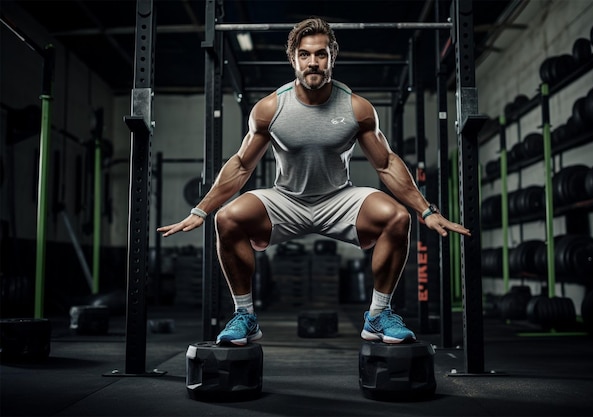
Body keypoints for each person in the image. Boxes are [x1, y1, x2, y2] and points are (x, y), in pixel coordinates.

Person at [157, 17, 470, 346]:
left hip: (339, 199)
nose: (313, 62)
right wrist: (201, 210)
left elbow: (388, 163)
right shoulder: (269, 109)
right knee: (227, 218)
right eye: (305, 55)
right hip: (286, 200)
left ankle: (378, 315)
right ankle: (244, 315)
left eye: (321, 54)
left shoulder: (357, 108)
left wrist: (427, 210)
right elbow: (240, 165)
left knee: (398, 217)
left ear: (332, 56)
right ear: (293, 58)